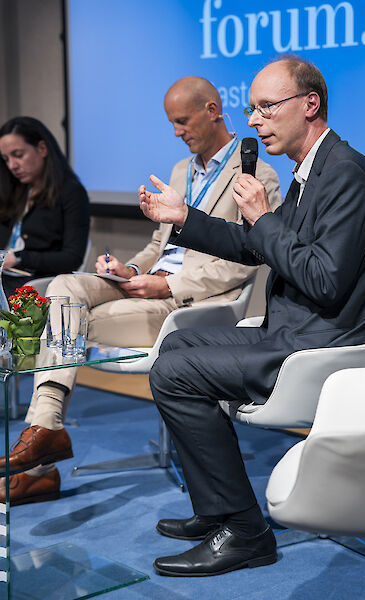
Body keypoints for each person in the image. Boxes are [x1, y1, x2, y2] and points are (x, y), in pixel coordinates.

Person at [138, 56, 365, 577]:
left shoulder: (347, 173)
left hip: (327, 344)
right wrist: (185, 218)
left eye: (265, 108)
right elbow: (260, 247)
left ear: (310, 105)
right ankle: (217, 510)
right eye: (251, 109)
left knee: (173, 372)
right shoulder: (311, 170)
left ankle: (244, 530)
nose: (253, 121)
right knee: (175, 348)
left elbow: (323, 278)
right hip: (295, 331)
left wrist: (260, 217)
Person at [0, 77, 281, 505]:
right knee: (64, 287)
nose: (177, 132)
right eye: (171, 123)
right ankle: (46, 430)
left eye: (182, 121)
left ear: (212, 110)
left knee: (71, 320)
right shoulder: (180, 171)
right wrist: (127, 268)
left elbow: (246, 258)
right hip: (146, 286)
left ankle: (43, 449)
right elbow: (158, 245)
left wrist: (165, 283)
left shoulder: (257, 174)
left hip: (191, 303)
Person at [0, 116, 90, 298]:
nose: (12, 165)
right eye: (6, 159)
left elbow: (72, 258)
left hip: (34, 282)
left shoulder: (71, 192)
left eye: (18, 155)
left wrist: (18, 258)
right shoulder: (13, 189)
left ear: (42, 148)